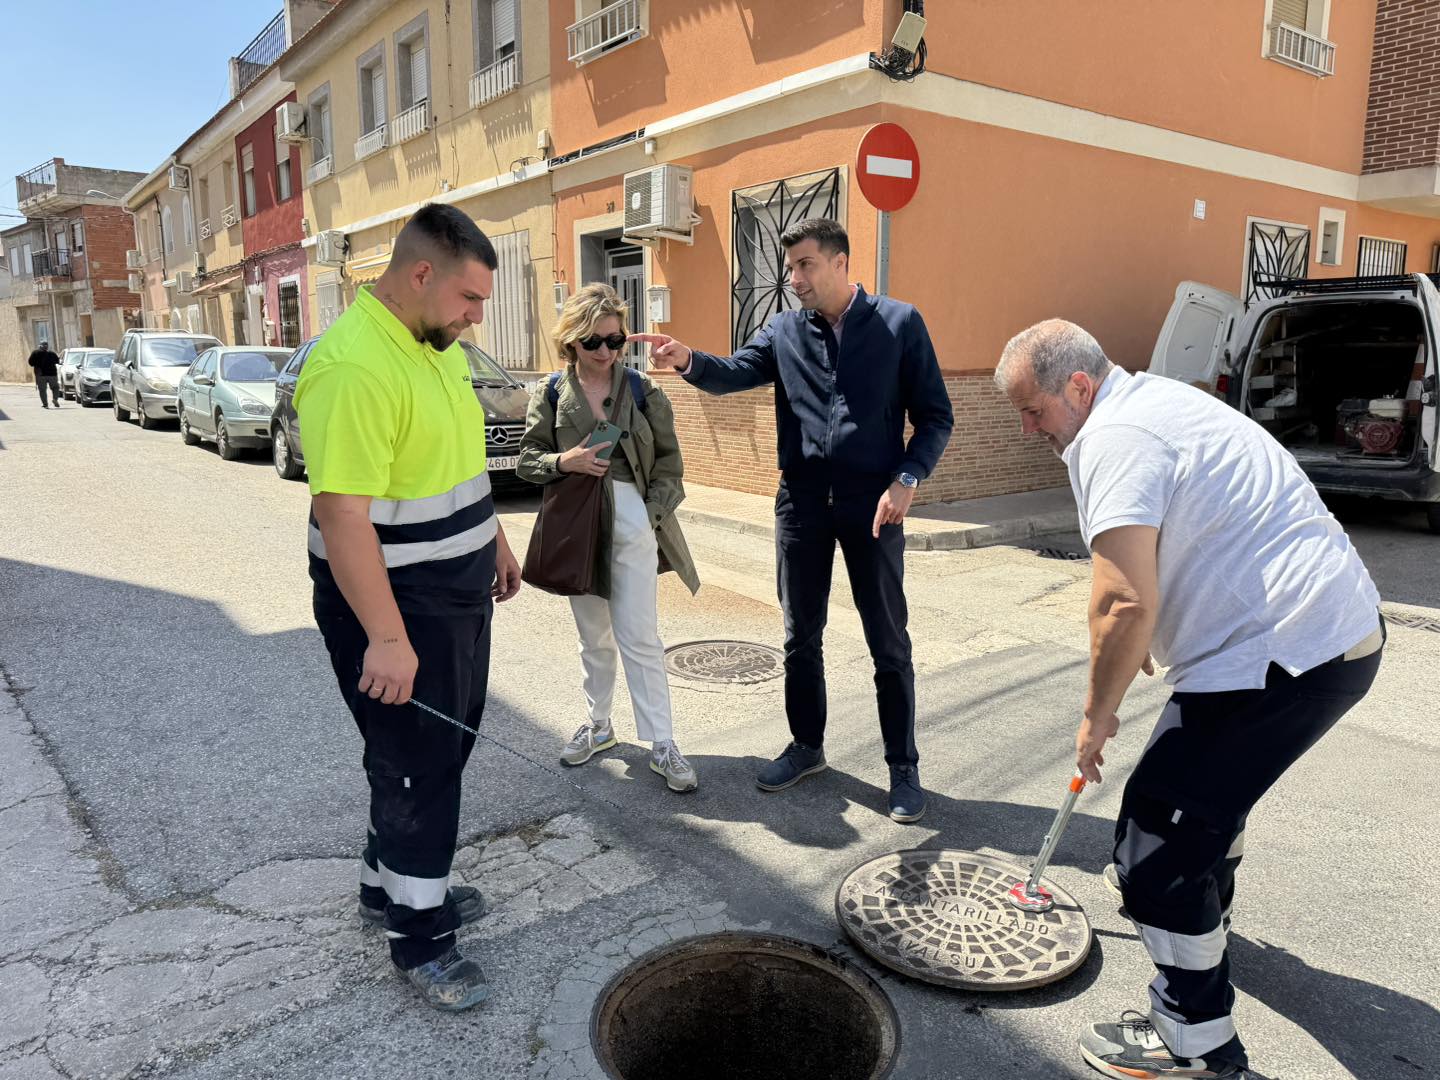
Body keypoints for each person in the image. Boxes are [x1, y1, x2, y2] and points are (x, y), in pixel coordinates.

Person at [994, 320, 1384, 1080]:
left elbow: (1121, 601)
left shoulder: (1114, 437)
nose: (1028, 429)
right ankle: (1205, 918)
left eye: (1033, 410)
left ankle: (1194, 1040)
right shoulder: (1155, 402)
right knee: (1199, 808)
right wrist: (1143, 635)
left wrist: (1095, 717)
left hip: (1281, 654)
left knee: (1153, 852)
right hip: (1326, 637)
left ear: (1079, 386)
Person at [631, 218, 953, 822]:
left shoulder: (899, 324)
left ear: (840, 262)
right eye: (790, 267)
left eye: (805, 265)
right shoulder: (784, 329)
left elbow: (936, 416)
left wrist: (907, 480)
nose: (794, 278)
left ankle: (903, 768)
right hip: (801, 504)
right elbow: (735, 372)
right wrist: (689, 359)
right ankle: (807, 746)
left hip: (873, 507)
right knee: (799, 636)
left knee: (888, 640)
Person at [294, 203, 522, 1012]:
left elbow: (457, 461)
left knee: (436, 752)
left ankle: (383, 884)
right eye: (470, 298)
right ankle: (421, 940)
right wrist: (387, 639)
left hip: (454, 592)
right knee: (417, 765)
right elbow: (342, 516)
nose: (476, 317)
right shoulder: (355, 366)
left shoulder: (434, 346)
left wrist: (493, 539)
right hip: (397, 605)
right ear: (421, 274)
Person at [518, 283, 701, 793]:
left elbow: (670, 467)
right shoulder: (551, 392)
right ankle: (599, 725)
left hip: (633, 520)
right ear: (572, 341)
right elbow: (528, 461)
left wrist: (648, 516)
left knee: (640, 635)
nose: (605, 351)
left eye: (615, 340)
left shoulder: (643, 391)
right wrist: (565, 461)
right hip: (579, 524)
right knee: (594, 637)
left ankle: (662, 742)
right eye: (593, 341)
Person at [29, 341, 61, 408]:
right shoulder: (52, 353)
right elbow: (58, 361)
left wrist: (37, 364)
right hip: (52, 374)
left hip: (40, 375)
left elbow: (30, 363)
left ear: (40, 346)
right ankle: (55, 399)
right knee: (55, 388)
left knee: (42, 390)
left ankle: (45, 404)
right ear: (47, 347)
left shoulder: (35, 353)